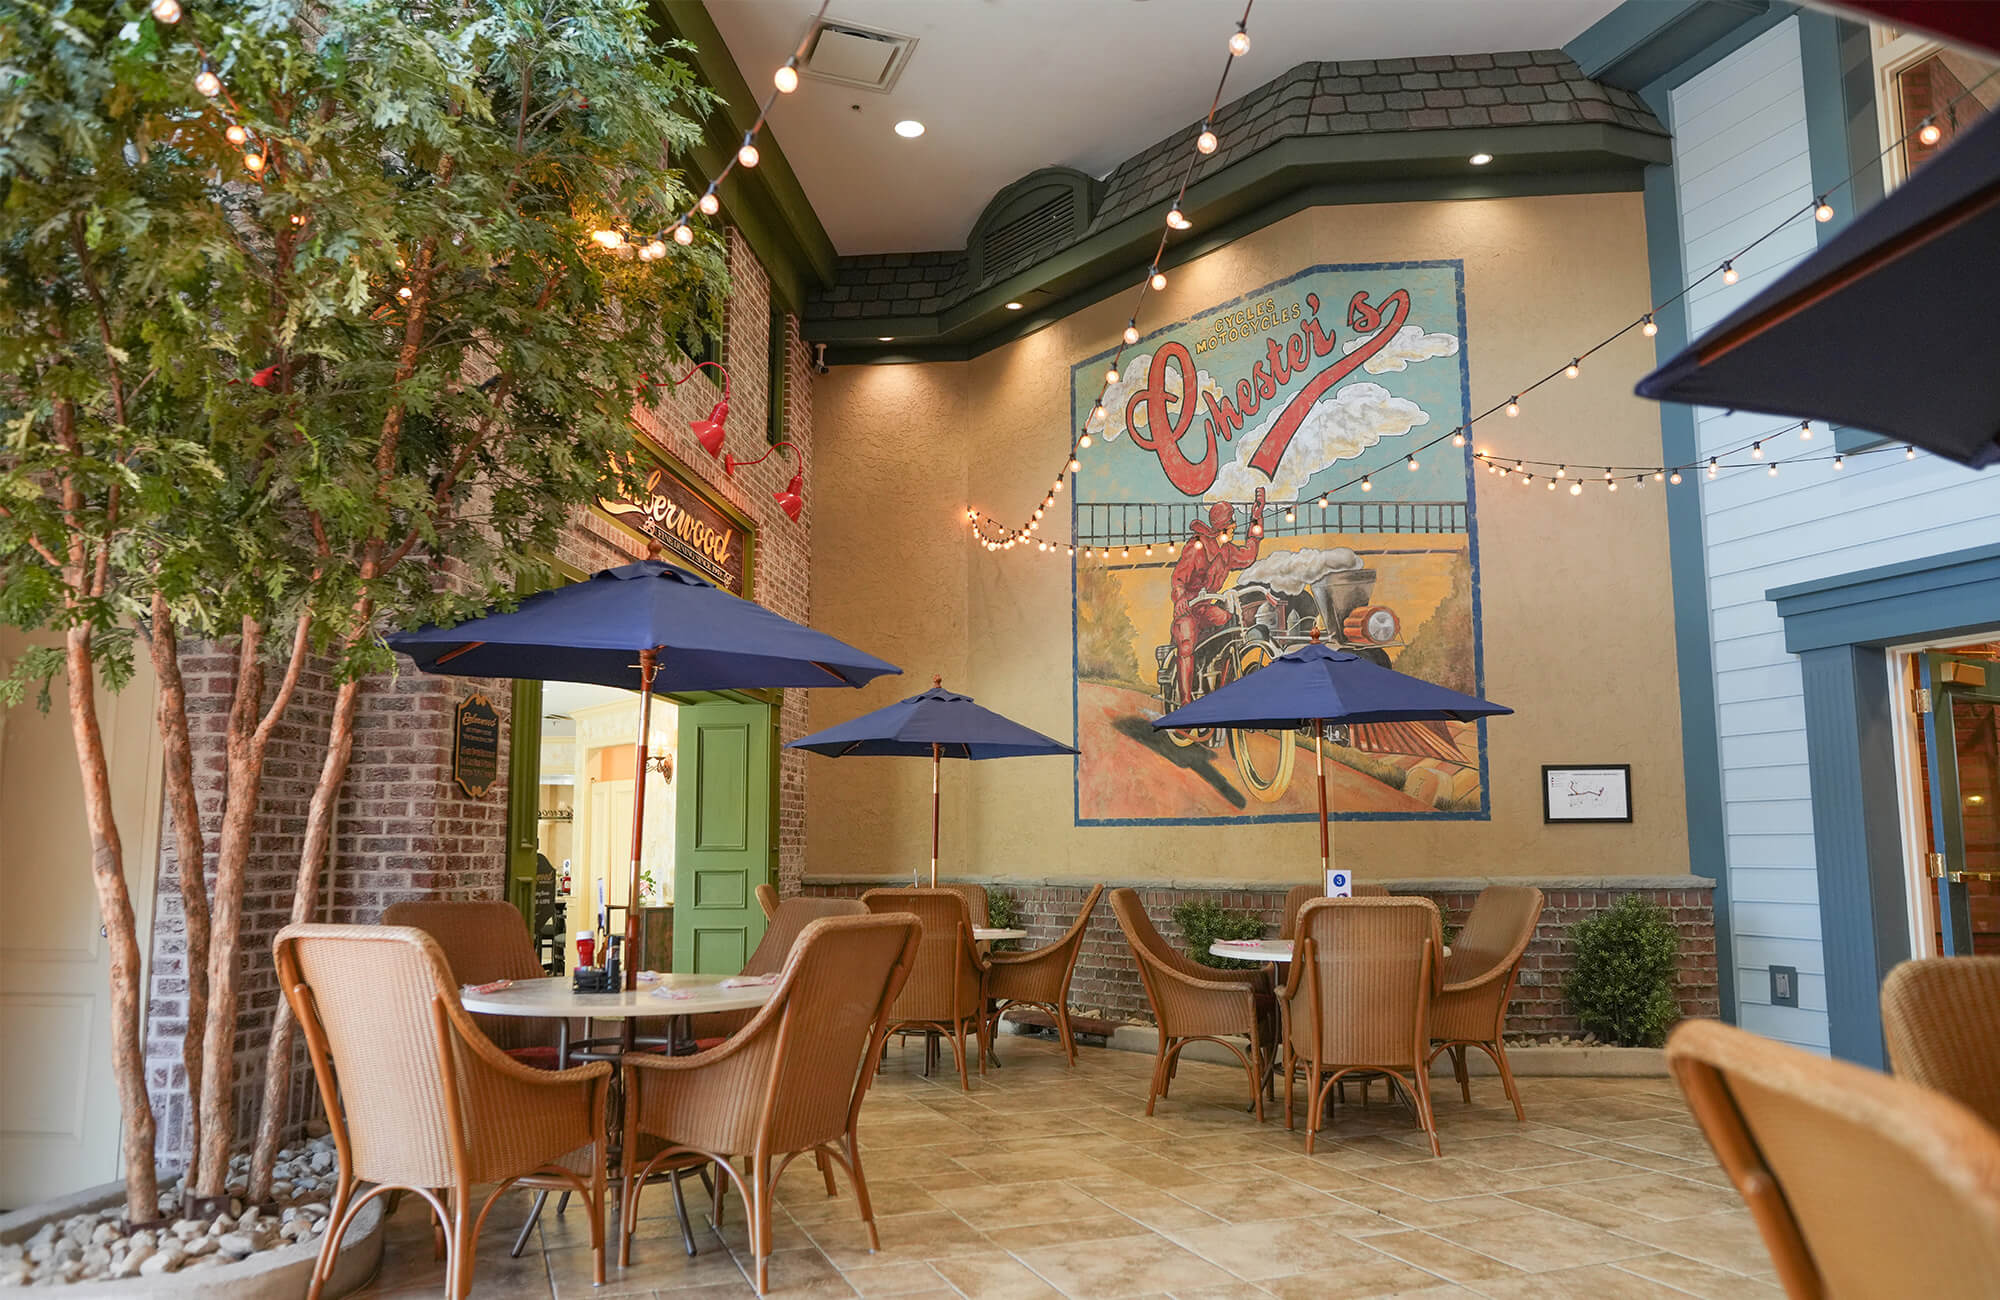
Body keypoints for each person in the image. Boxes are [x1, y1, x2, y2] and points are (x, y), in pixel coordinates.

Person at [1168, 486, 1264, 709]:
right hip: (1188, 611)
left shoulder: (1227, 551)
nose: (1235, 527)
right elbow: (1178, 579)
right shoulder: (1197, 547)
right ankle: (1186, 703)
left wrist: (1256, 517)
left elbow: (1249, 555)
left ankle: (1221, 676)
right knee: (1186, 642)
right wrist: (1180, 599)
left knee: (1230, 623)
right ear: (1223, 527)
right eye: (1232, 523)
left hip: (1205, 610)